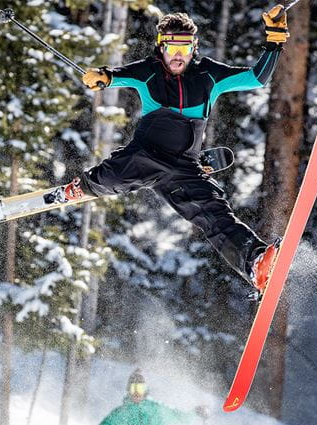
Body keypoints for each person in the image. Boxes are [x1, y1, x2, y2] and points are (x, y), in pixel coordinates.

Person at [71, 8, 291, 292]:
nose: (178, 55)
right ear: (160, 47)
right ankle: (83, 187)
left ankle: (255, 262)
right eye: (172, 47)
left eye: (185, 48)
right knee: (113, 176)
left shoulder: (208, 75)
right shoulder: (149, 71)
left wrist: (275, 39)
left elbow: (257, 78)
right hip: (147, 155)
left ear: (193, 48)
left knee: (214, 212)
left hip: (184, 169)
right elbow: (115, 75)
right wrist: (101, 76)